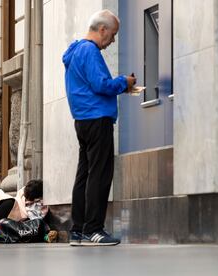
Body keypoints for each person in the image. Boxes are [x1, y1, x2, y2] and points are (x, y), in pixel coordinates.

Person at [62, 9, 136, 246]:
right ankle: (94, 229)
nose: (112, 40)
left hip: (82, 120)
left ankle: (78, 231)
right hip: (98, 118)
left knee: (84, 174)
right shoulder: (89, 51)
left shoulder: (74, 51)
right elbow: (101, 84)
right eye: (112, 34)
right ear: (102, 29)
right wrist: (124, 82)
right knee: (100, 175)